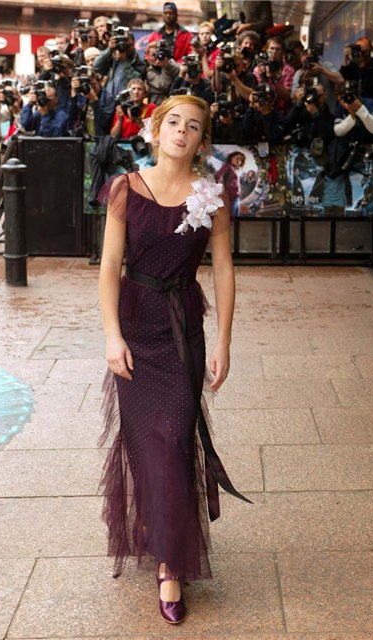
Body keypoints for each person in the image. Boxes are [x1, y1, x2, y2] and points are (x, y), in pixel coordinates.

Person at [97, 94, 252, 624]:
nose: (182, 132)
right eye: (173, 123)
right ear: (156, 129)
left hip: (183, 329)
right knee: (146, 443)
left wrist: (225, 341)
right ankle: (159, 526)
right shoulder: (126, 187)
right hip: (135, 327)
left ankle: (169, 565)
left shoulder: (212, 196)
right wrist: (112, 336)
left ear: (202, 141)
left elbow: (224, 269)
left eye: (194, 127)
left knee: (173, 440)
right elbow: (109, 267)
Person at [215, 151, 246, 216]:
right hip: (230, 197)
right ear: (231, 157)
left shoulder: (234, 169)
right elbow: (217, 176)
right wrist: (221, 191)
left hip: (236, 197)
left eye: (241, 160)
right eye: (237, 158)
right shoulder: (227, 166)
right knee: (232, 217)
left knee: (235, 216)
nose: (239, 161)